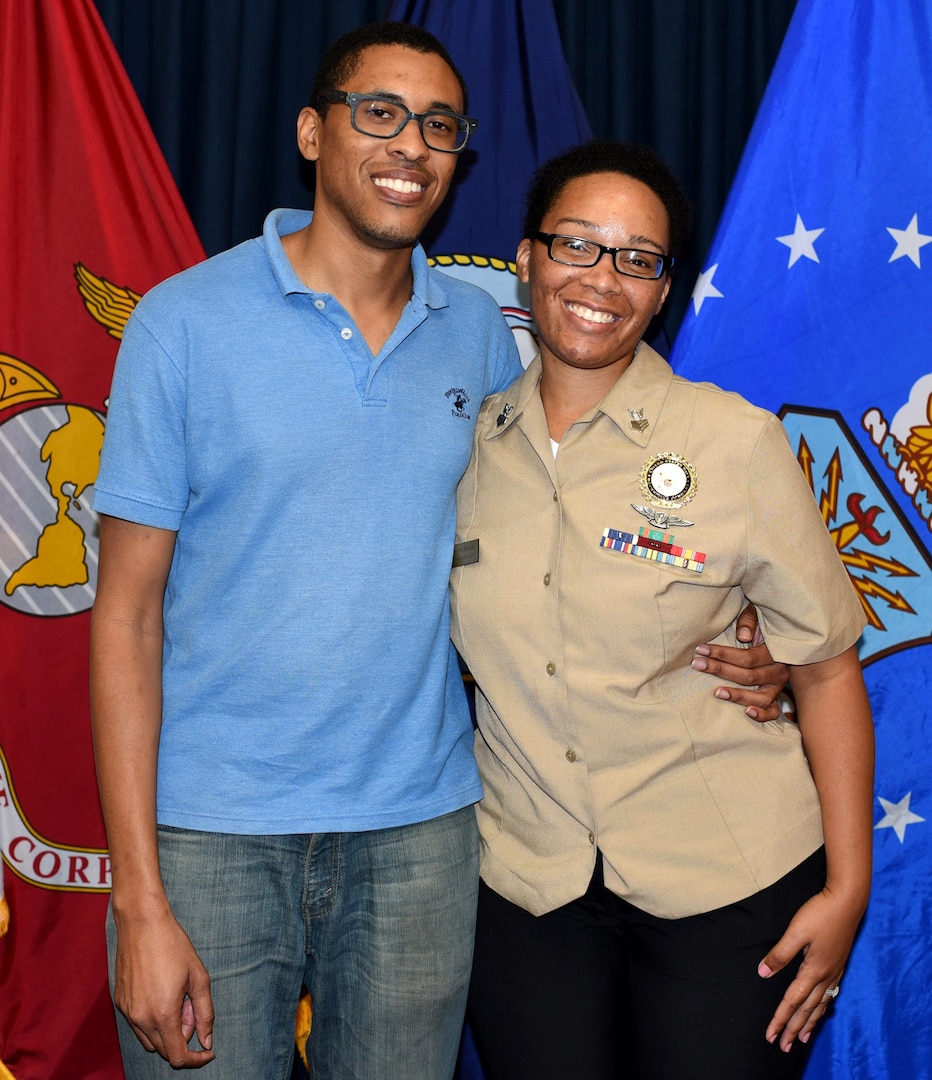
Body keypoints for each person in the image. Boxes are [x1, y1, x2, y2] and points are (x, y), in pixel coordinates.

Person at [89, 20, 787, 1078]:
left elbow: (580, 522)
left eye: (438, 126)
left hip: (421, 838)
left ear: (459, 160)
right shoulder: (183, 325)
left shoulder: (482, 330)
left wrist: (745, 627)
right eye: (379, 113)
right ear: (311, 132)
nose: (409, 144)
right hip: (210, 837)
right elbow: (125, 617)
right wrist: (137, 894)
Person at [450, 139, 874, 1080]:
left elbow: (827, 665)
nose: (603, 278)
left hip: (731, 878)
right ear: (526, 257)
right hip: (530, 883)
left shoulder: (733, 442)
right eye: (577, 245)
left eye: (638, 259)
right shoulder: (464, 447)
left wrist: (849, 889)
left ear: (663, 289)